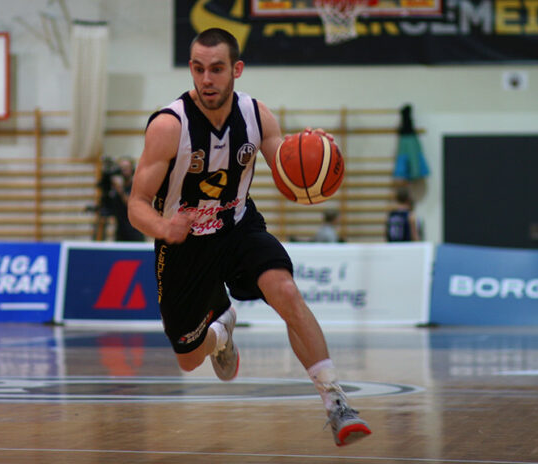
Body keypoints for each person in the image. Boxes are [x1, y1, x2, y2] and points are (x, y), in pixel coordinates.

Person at [128, 28, 371, 446]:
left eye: (217, 69)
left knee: (286, 292)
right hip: (184, 244)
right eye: (198, 69)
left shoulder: (257, 116)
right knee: (189, 359)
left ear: (236, 69)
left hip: (238, 227)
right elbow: (136, 204)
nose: (207, 79)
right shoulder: (169, 125)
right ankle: (221, 331)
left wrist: (314, 153)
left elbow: (288, 168)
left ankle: (336, 403)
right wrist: (164, 227)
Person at [109, 157, 144, 242]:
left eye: (126, 168)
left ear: (132, 170)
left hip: (135, 232)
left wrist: (120, 190)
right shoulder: (115, 187)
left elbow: (132, 205)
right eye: (121, 168)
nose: (123, 170)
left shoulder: (137, 186)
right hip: (120, 231)